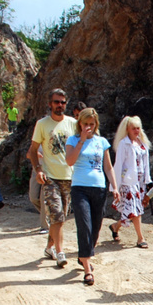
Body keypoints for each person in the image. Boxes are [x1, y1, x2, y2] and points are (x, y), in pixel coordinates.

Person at [65, 107, 118, 285]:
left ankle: (84, 255)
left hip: (99, 189)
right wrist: (81, 140)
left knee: (95, 228)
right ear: (79, 124)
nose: (88, 127)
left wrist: (114, 187)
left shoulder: (101, 142)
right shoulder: (72, 140)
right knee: (84, 225)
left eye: (91, 124)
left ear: (96, 125)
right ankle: (87, 268)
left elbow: (108, 167)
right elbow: (70, 161)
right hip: (80, 188)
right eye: (85, 124)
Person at [29, 88, 77, 268]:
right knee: (57, 215)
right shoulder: (42, 124)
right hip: (50, 177)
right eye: (56, 102)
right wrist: (38, 169)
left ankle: (50, 246)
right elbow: (33, 150)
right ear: (50, 104)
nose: (60, 105)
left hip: (68, 176)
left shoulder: (72, 123)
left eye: (63, 102)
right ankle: (60, 251)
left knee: (61, 215)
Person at [108, 115, 151, 247]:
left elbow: (146, 163)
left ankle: (115, 226)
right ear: (127, 129)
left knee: (133, 211)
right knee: (135, 211)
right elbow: (118, 164)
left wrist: (147, 180)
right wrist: (116, 186)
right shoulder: (123, 144)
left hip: (140, 182)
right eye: (134, 128)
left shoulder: (142, 143)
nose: (136, 131)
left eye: (138, 128)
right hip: (128, 182)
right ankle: (140, 238)